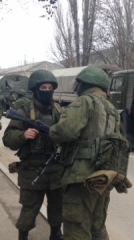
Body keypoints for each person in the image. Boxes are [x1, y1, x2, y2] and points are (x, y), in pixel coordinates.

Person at [49, 66, 119, 240]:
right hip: (103, 176)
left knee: (76, 230)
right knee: (98, 227)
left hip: (80, 178)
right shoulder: (111, 109)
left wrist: (52, 131)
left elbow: (64, 131)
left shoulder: (84, 102)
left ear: (84, 84)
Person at [2, 70, 64, 240]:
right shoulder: (23, 110)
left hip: (56, 168)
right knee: (29, 208)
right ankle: (23, 236)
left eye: (50, 87)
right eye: (43, 87)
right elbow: (7, 139)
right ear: (36, 89)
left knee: (57, 207)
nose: (47, 90)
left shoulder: (58, 110)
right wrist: (23, 135)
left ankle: (56, 234)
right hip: (32, 170)